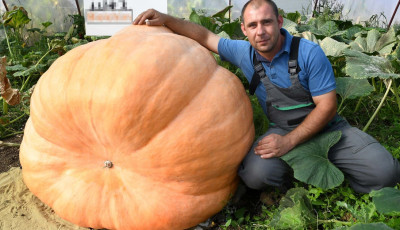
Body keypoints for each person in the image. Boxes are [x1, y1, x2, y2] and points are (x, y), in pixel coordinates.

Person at [133, 0, 400, 193]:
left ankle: (327, 166)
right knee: (255, 176)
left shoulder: (308, 53)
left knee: (387, 173)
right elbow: (204, 35)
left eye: (266, 22)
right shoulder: (242, 52)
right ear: (244, 29)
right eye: (253, 25)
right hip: (281, 129)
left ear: (279, 22)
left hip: (329, 129)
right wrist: (167, 19)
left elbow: (328, 106)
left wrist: (289, 143)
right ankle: (301, 172)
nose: (260, 31)